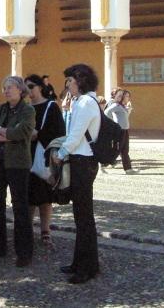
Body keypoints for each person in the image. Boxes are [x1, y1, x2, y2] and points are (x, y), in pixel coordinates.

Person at [52, 64, 101, 284]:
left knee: (84, 217)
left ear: (80, 81)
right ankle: (81, 263)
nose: (68, 86)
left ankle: (87, 268)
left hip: (83, 162)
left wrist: (61, 153)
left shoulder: (86, 103)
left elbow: (75, 135)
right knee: (81, 216)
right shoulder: (82, 103)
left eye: (70, 81)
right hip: (82, 161)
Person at [0, 76, 35, 268]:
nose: (6, 91)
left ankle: (24, 252)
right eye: (4, 88)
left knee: (20, 207)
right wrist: (5, 132)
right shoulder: (1, 109)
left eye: (10, 87)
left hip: (18, 164)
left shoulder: (27, 110)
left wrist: (3, 132)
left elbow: (22, 132)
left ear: (20, 90)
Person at [24, 74, 66, 246]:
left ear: (40, 87)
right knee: (28, 195)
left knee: (45, 197)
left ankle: (45, 231)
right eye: (25, 87)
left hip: (44, 155)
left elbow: (59, 132)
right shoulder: (25, 108)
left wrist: (39, 135)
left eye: (31, 86)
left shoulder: (51, 107)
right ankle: (27, 230)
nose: (28, 90)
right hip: (27, 156)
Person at [105, 89, 139, 174]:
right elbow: (106, 112)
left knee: (125, 150)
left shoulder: (122, 106)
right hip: (120, 131)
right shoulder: (116, 105)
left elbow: (125, 117)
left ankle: (128, 169)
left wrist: (129, 109)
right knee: (117, 150)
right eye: (126, 96)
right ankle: (103, 164)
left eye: (128, 96)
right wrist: (112, 123)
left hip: (125, 130)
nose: (128, 98)